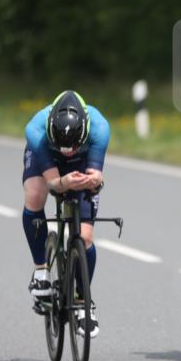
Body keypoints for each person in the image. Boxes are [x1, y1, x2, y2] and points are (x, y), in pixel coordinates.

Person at [21, 90, 110, 338]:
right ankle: (41, 270)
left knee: (86, 236)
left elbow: (96, 178)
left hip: (82, 164)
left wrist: (94, 180)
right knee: (35, 194)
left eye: (74, 146)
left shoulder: (100, 128)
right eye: (64, 146)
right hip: (47, 159)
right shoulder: (36, 130)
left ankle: (84, 301)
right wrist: (64, 182)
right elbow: (53, 184)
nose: (68, 151)